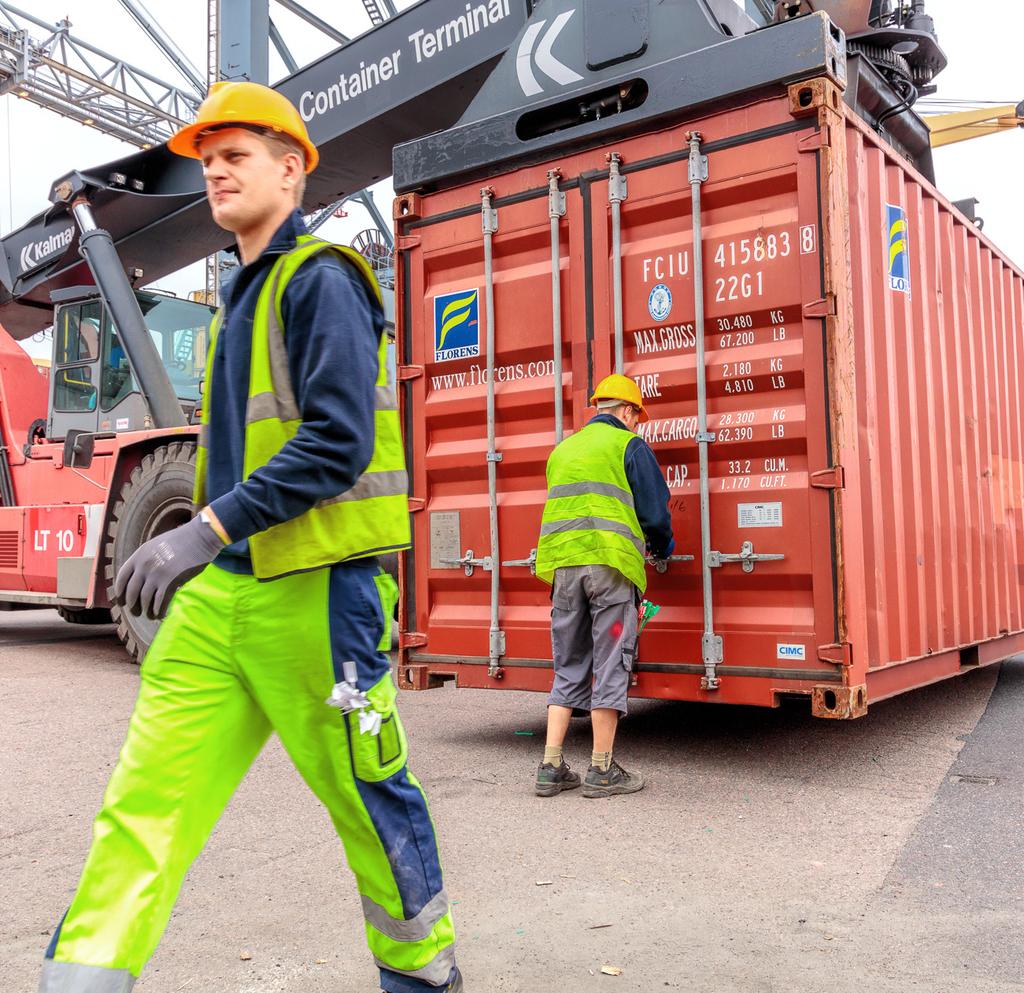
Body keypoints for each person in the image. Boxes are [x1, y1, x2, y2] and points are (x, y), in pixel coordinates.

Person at [39, 82, 460, 993]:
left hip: (318, 590)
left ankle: (423, 978)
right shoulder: (241, 293)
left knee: (366, 798)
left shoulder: (324, 280)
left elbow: (339, 440)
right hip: (223, 593)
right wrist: (208, 545)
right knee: (142, 804)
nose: (216, 170)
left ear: (292, 167)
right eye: (208, 158)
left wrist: (204, 528)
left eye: (237, 153)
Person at [533, 374, 674, 800]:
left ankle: (551, 764)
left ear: (598, 407)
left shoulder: (563, 449)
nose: (638, 425)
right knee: (611, 659)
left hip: (562, 569)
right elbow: (654, 511)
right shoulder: (628, 446)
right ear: (629, 412)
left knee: (569, 663)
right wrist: (662, 548)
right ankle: (601, 769)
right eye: (638, 417)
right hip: (609, 569)